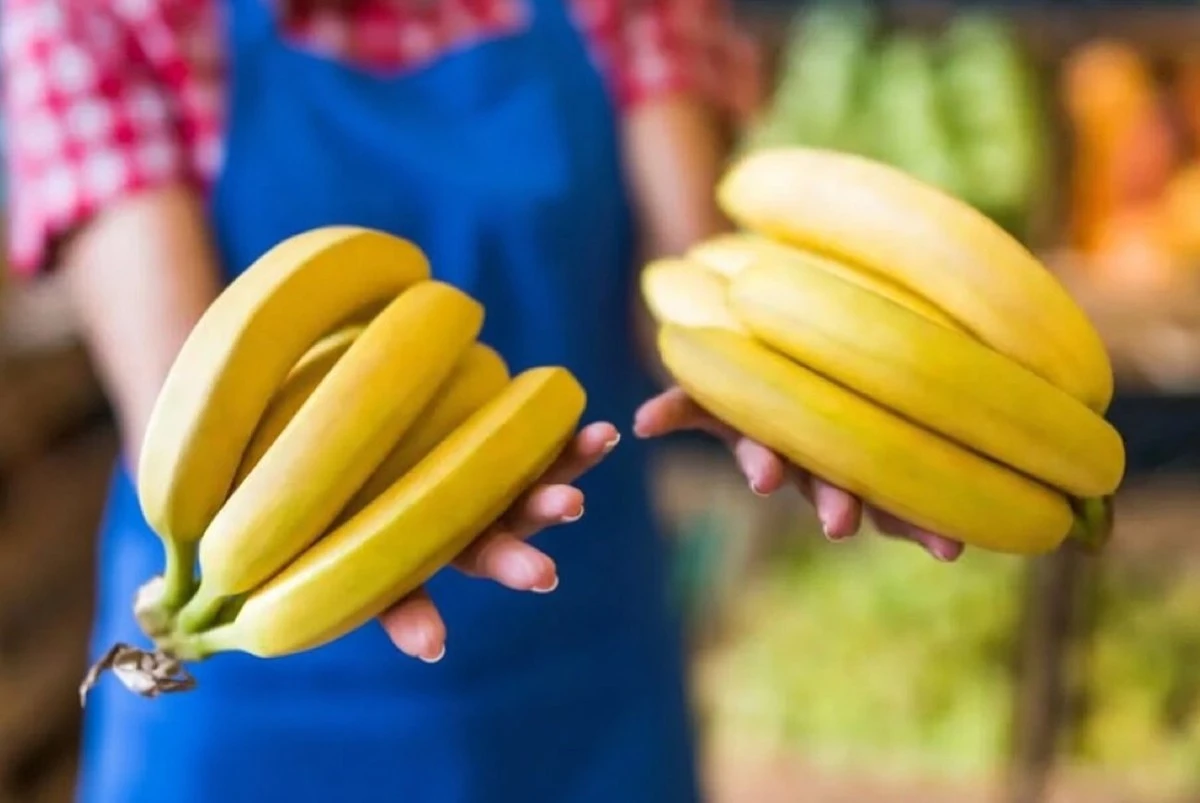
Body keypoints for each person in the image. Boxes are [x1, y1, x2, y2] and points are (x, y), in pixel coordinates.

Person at [2, 0, 965, 800]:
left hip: (581, 672)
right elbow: (186, 407)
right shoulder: (96, 15)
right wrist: (405, 516)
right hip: (252, 692)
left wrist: (793, 393)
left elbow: (685, 285)